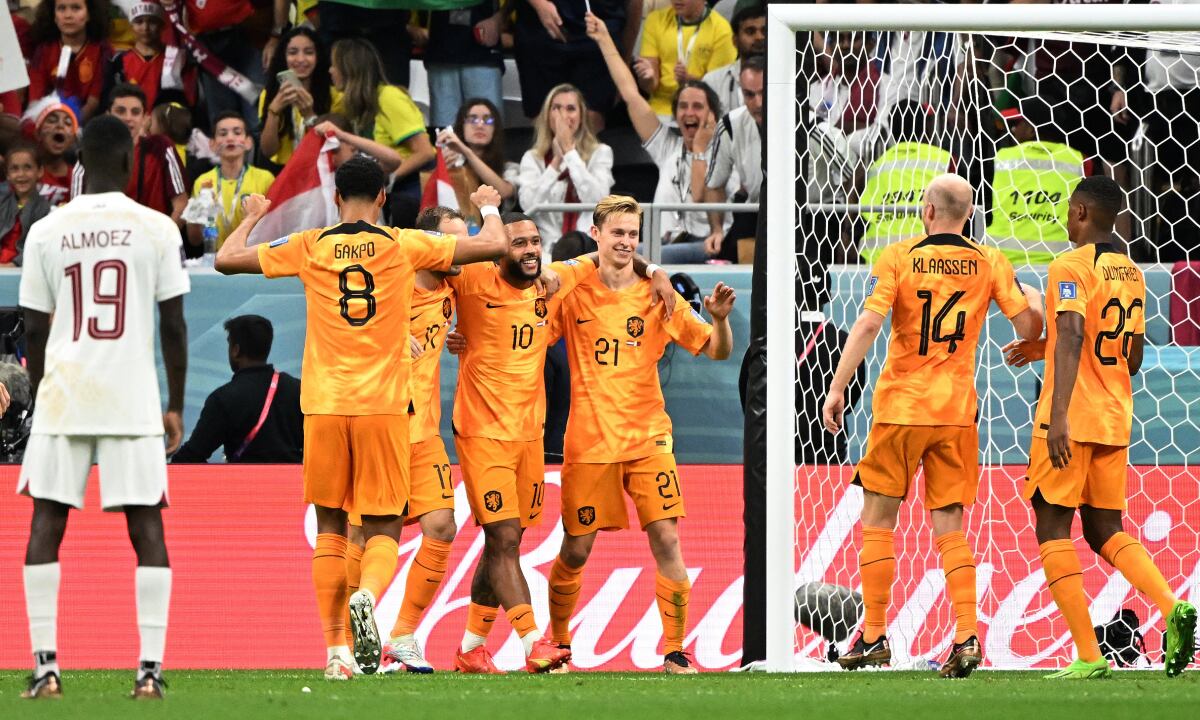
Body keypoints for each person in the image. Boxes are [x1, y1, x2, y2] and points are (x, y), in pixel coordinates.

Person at [213, 157, 509, 680]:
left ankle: (336, 654)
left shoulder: (311, 245)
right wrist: (488, 209)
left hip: (324, 405)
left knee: (332, 526)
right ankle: (368, 598)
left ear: (336, 198)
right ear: (381, 197)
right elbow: (492, 247)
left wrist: (254, 215)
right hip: (384, 406)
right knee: (383, 527)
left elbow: (225, 259)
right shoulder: (402, 243)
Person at [821, 174, 1043, 678]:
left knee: (879, 519)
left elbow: (870, 323)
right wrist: (1031, 302)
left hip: (901, 408)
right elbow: (1028, 329)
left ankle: (874, 635)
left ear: (927, 211)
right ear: (968, 215)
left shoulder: (900, 256)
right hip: (957, 413)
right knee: (950, 527)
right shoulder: (989, 262)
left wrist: (837, 389)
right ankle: (967, 636)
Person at [444, 211, 675, 674]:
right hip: (481, 431)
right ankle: (535, 644)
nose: (530, 250)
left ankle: (472, 646)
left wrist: (657, 271)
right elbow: (434, 258)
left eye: (535, 242)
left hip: (528, 436)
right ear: (498, 249)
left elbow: (607, 252)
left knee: (503, 543)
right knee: (504, 537)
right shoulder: (473, 282)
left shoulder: (552, 283)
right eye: (518, 243)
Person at [17, 114, 189, 700]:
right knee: (147, 527)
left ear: (81, 161)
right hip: (132, 396)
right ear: (133, 157)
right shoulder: (158, 229)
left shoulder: (47, 229)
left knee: (47, 524)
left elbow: (34, 330)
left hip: (65, 392)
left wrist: (40, 394)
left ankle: (45, 668)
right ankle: (149, 671)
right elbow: (173, 324)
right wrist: (176, 404)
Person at [1002, 176, 1198, 679]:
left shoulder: (1068, 265)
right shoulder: (1132, 272)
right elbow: (1130, 358)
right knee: (1104, 528)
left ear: (1084, 212)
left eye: (1069, 211)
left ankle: (1089, 655)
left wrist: (1060, 414)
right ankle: (1171, 604)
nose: (1066, 221)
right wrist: (1042, 348)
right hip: (1115, 416)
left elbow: (1071, 332)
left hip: (1072, 417)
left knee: (1051, 526)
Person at [545, 195, 734, 674]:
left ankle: (674, 651)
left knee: (667, 539)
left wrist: (719, 319)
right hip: (589, 442)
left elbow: (715, 350)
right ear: (597, 234)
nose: (626, 242)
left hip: (649, 437)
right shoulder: (574, 290)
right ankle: (560, 645)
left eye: (633, 234)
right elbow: (531, 324)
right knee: (575, 548)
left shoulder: (658, 296)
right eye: (618, 233)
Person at [370, 206, 468, 674]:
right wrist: (386, 336)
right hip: (381, 427)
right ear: (427, 243)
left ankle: (403, 636)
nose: (460, 249)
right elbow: (341, 327)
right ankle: (347, 642)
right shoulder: (392, 283)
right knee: (365, 536)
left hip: (424, 431)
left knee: (442, 527)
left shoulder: (452, 286)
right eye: (451, 241)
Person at [587, 12, 720, 259]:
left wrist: (700, 148)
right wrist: (604, 39)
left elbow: (699, 196)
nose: (689, 112)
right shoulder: (668, 146)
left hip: (703, 247)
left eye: (698, 106)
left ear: (712, 114)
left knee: (628, 255)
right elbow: (630, 93)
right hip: (662, 245)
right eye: (683, 106)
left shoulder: (724, 152)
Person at [330, 38, 435, 229]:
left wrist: (385, 180)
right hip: (385, 188)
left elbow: (425, 152)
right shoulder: (356, 106)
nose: (331, 71)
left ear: (349, 69)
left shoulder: (389, 97)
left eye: (334, 65)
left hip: (411, 188)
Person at [171, 315, 302, 463]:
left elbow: (191, 456)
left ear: (235, 350)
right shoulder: (298, 390)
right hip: (294, 484)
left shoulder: (223, 399)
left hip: (244, 484)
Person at [516, 84, 614, 257]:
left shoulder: (601, 152)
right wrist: (555, 163)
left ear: (581, 117)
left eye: (570, 109)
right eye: (556, 108)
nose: (563, 115)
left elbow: (597, 199)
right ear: (547, 116)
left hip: (587, 248)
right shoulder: (532, 158)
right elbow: (527, 204)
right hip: (546, 251)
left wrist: (570, 152)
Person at [986, 101, 1087, 267]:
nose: (1012, 130)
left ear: (1032, 130)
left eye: (1017, 124)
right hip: (1062, 266)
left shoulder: (1002, 158)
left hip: (1002, 263)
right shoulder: (1079, 160)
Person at [71, 84, 187, 225]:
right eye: (120, 111)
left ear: (145, 118)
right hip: (105, 241)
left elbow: (181, 205)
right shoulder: (92, 153)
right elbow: (75, 214)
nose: (128, 118)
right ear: (108, 115)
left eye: (135, 112)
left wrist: (162, 239)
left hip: (153, 241)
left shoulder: (161, 147)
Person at [512, 0, 635, 130]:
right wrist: (539, 4)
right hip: (542, 32)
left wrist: (623, 64)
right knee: (545, 124)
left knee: (591, 125)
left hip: (599, 33)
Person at [856, 100, 953, 263]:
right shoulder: (943, 159)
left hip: (881, 260)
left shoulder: (877, 166)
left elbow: (865, 215)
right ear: (925, 128)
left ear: (891, 130)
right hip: (930, 259)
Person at [696, 53, 763, 263]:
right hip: (757, 211)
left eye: (764, 93)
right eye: (749, 94)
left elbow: (848, 173)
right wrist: (716, 229)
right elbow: (714, 184)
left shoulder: (810, 123)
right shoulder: (731, 125)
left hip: (810, 216)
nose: (758, 102)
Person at [186, 111, 275, 250]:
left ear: (248, 142)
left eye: (237, 132)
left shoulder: (265, 178)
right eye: (223, 134)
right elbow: (194, 239)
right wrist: (199, 212)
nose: (230, 138)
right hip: (215, 260)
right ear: (213, 144)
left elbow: (275, 230)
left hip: (252, 259)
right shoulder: (203, 182)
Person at [635, 0, 736, 120]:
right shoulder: (655, 20)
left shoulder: (721, 29)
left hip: (702, 111)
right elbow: (649, 87)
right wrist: (647, 78)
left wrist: (688, 81)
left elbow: (719, 90)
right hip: (660, 111)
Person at [259, 27, 337, 168]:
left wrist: (310, 116)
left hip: (320, 169)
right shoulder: (269, 94)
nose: (301, 59)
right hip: (283, 171)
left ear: (318, 57)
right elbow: (268, 151)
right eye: (293, 52)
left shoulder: (335, 95)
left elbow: (333, 148)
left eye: (308, 52)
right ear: (283, 57)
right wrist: (273, 112)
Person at [434, 98, 519, 223]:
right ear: (461, 126)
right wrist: (442, 167)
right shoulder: (453, 161)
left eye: (488, 120)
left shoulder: (510, 167)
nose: (480, 125)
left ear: (495, 129)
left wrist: (466, 152)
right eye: (472, 119)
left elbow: (504, 191)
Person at [423, 0, 504, 129]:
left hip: (483, 51)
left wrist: (499, 19)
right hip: (442, 50)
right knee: (445, 137)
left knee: (487, 131)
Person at [27, 0, 111, 122]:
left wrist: (71, 124)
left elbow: (93, 103)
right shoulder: (44, 50)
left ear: (89, 14)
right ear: (54, 16)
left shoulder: (102, 50)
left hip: (89, 123)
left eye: (76, 8)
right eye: (61, 8)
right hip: (49, 120)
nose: (68, 15)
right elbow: (35, 100)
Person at [106, 2, 197, 111]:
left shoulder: (174, 59)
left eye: (152, 22)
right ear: (131, 26)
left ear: (162, 25)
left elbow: (186, 98)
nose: (146, 28)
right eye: (139, 22)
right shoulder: (119, 61)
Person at [701, 0, 764, 115]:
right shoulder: (713, 82)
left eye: (765, 31)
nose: (759, 37)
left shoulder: (791, 79)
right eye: (750, 31)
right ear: (735, 40)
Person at [0, 142, 52, 267]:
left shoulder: (44, 209)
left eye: (27, 167)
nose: (21, 174)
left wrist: (13, 264)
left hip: (23, 267)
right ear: (7, 174)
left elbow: (38, 247)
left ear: (39, 171)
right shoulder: (3, 204)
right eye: (14, 169)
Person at [28, 99, 78, 206]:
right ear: (38, 133)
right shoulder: (22, 169)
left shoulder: (78, 179)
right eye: (52, 120)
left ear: (73, 139)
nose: (60, 125)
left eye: (68, 123)